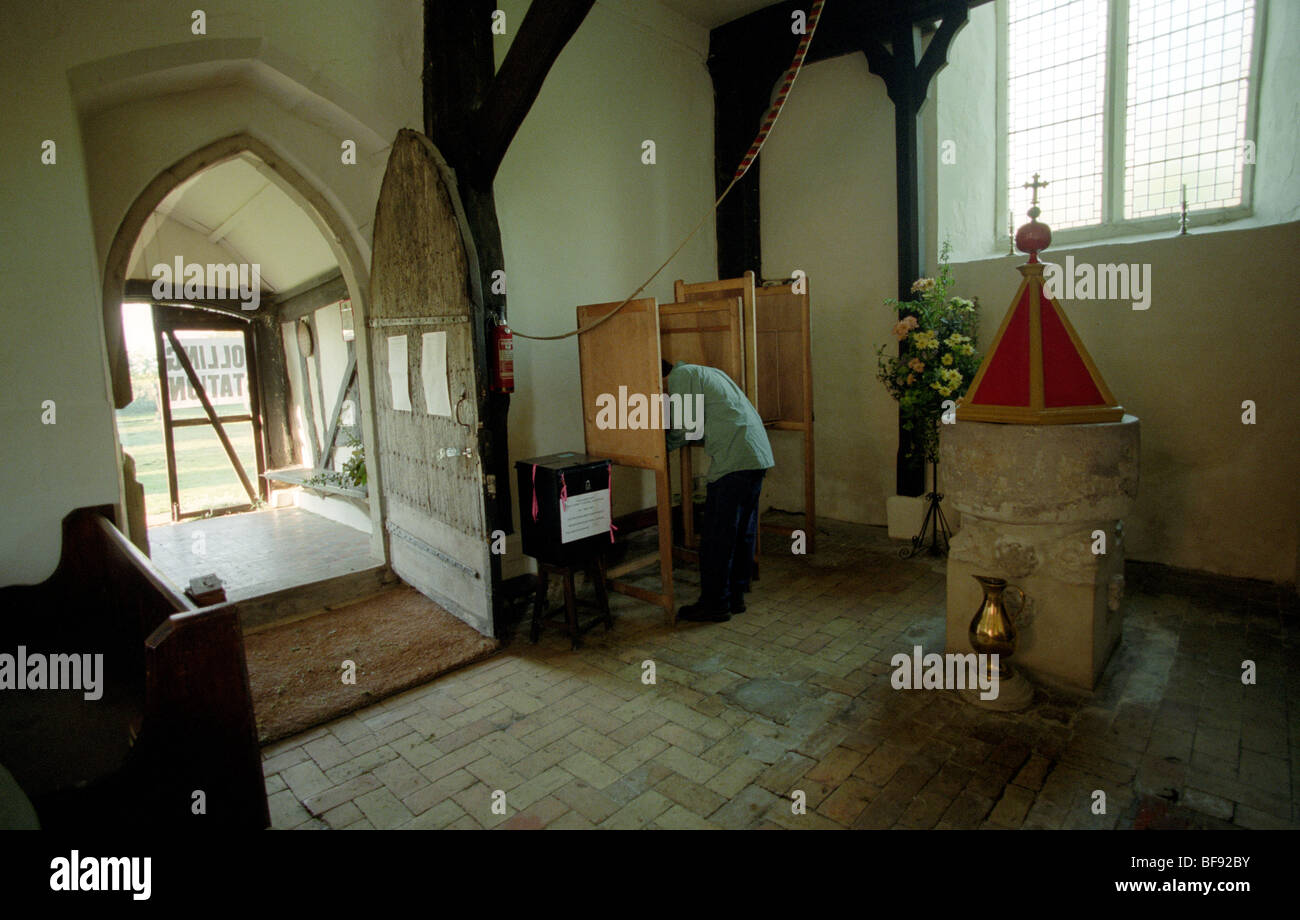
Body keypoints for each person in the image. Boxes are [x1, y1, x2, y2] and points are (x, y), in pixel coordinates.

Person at [663, 359, 774, 623]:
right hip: (756, 456)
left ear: (661, 376)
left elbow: (685, 426)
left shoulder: (681, 375)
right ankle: (735, 597)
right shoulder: (708, 372)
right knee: (741, 533)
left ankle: (714, 604)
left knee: (716, 537)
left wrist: (659, 447)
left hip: (734, 462)